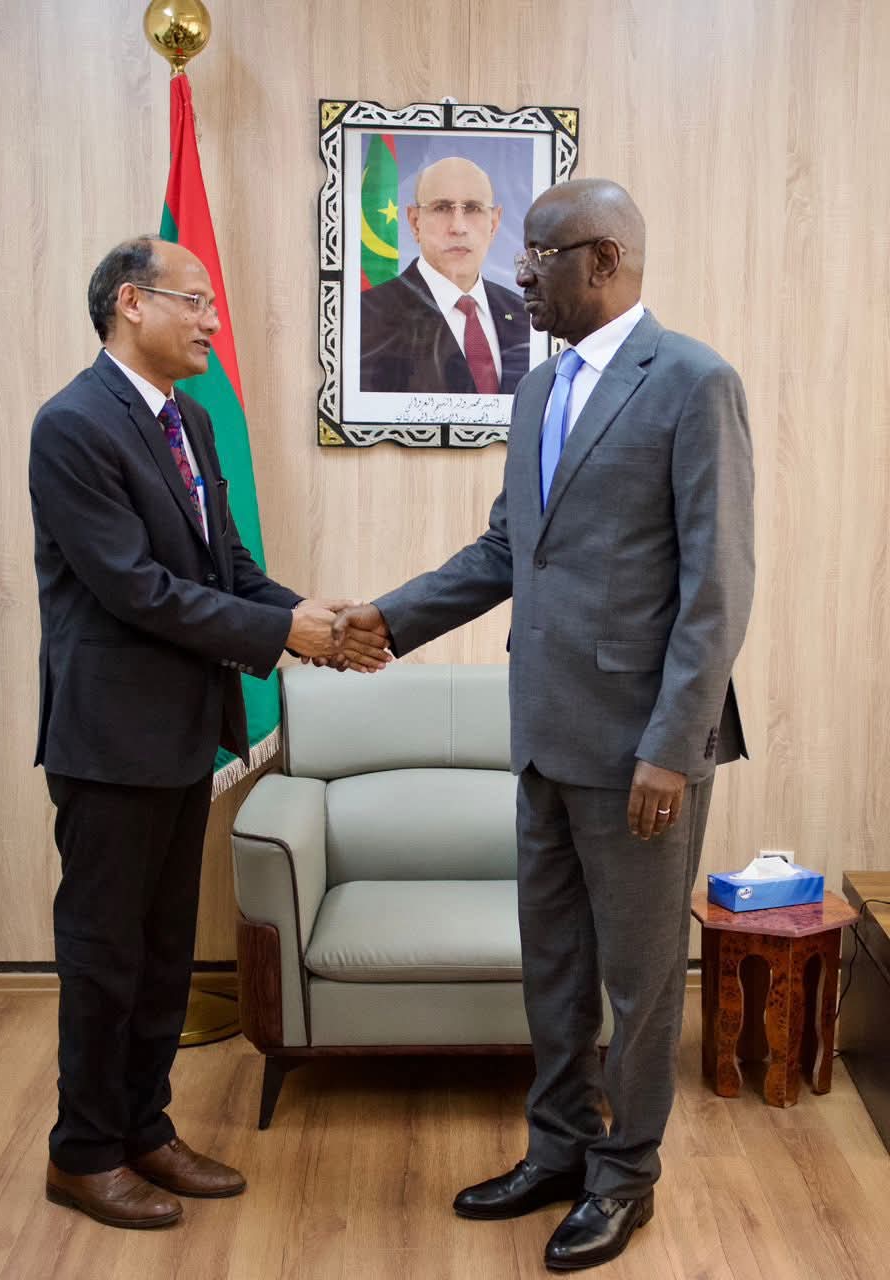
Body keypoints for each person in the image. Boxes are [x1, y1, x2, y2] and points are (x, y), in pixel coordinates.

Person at [336, 179, 754, 1272]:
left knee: (641, 982)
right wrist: (388, 619)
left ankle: (626, 1175)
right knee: (555, 967)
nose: (516, 274)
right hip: (543, 735)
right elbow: (505, 551)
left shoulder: (694, 381)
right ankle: (559, 1148)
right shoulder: (538, 391)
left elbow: (718, 586)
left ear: (604, 259)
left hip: (641, 751)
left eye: (537, 255)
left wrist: (672, 747)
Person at [29, 235, 388, 1229]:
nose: (211, 321)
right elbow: (136, 588)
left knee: (162, 955)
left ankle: (144, 1128)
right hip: (109, 742)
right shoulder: (72, 425)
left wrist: (313, 618)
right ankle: (82, 1152)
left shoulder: (187, 419)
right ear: (131, 303)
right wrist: (283, 635)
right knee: (104, 955)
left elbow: (224, 566)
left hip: (184, 732)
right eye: (195, 302)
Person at [360, 156, 530, 395]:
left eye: (473, 208)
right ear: (415, 222)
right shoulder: (368, 316)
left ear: (494, 223)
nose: (458, 227)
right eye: (441, 208)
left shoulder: (525, 317)